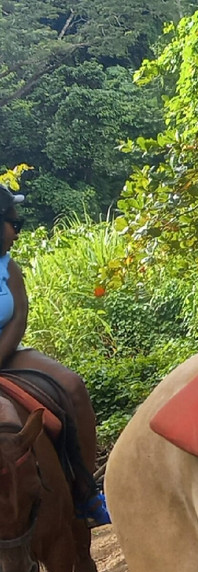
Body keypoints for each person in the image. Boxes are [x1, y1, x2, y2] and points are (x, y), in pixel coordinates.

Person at [0, 185, 110, 527]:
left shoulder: (8, 266)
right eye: (14, 225)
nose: (18, 233)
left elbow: (19, 316)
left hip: (6, 352)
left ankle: (85, 491)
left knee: (72, 386)